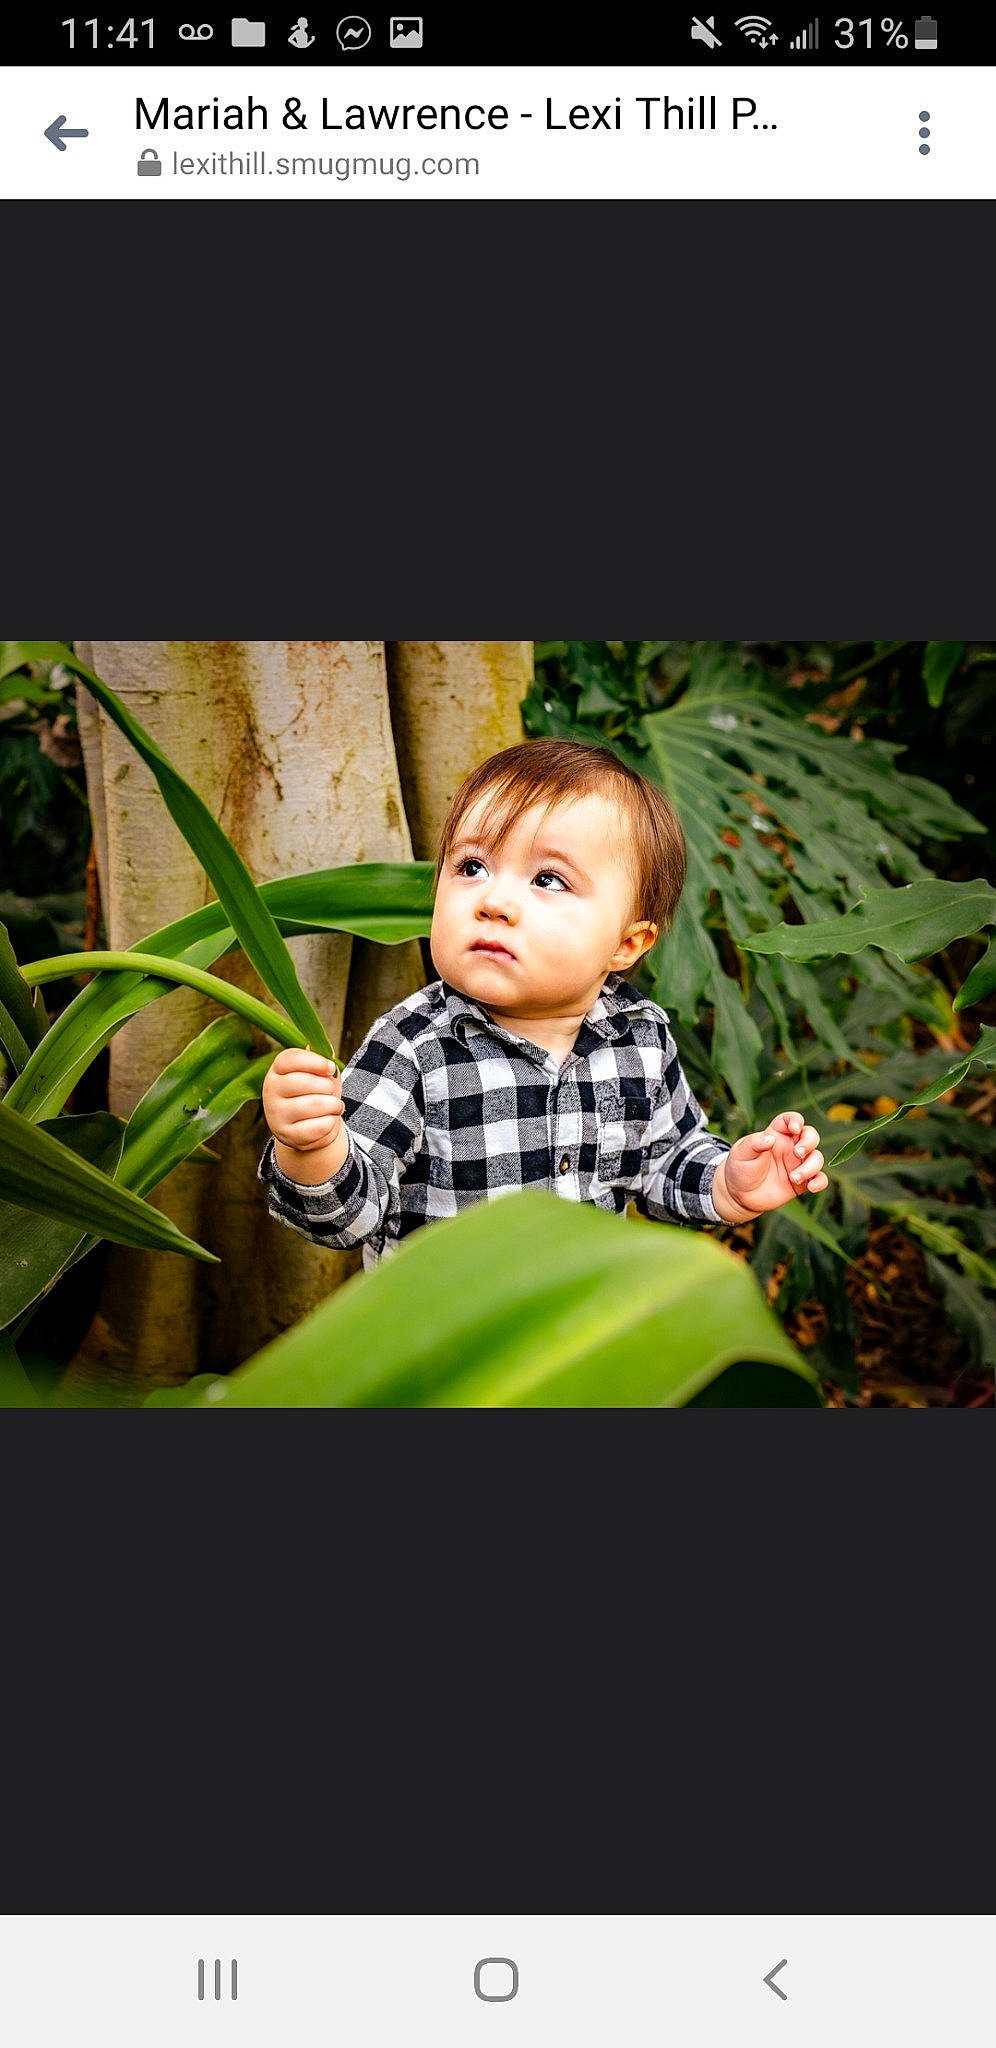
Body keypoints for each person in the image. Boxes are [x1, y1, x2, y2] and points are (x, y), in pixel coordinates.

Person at [259, 738, 826, 1268]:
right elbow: (348, 1219)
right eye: (472, 867)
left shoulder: (639, 1040)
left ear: (627, 944)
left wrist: (728, 1183)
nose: (495, 901)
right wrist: (312, 1146)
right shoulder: (415, 1047)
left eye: (549, 879)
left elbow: (665, 1163)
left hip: (574, 1338)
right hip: (444, 1349)